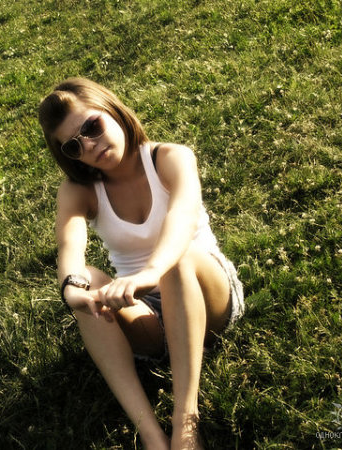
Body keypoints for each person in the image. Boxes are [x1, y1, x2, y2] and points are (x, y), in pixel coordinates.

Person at [38, 78, 244, 450]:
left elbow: (182, 220)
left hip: (205, 290)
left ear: (113, 110)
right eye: (74, 146)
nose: (89, 144)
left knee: (177, 260)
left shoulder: (171, 157)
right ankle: (151, 436)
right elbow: (70, 247)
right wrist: (73, 289)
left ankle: (185, 425)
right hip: (146, 311)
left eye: (92, 126)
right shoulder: (78, 191)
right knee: (88, 282)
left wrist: (152, 272)